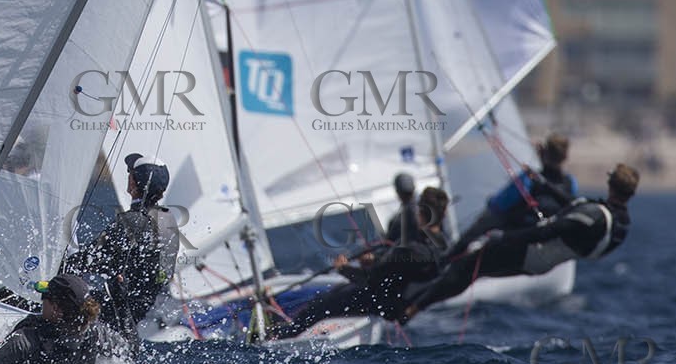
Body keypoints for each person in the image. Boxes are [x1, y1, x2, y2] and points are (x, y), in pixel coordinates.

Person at [403, 164, 639, 321]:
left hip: (532, 251)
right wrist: (546, 186)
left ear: (610, 185)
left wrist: (504, 237)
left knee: (468, 266)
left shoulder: (594, 216)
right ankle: (414, 304)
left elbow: (548, 231)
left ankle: (412, 306)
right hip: (540, 261)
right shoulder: (620, 222)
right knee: (473, 270)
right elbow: (575, 206)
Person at [271, 186, 449, 339]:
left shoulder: (411, 250)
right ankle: (282, 327)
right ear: (444, 212)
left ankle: (278, 336)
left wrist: (343, 269)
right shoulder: (443, 246)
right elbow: (399, 265)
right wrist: (377, 259)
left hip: (380, 301)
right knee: (331, 295)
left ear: (420, 214)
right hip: (392, 299)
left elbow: (369, 279)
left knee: (320, 305)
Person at [62, 153, 178, 339]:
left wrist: (61, 263)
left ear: (132, 183)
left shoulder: (131, 221)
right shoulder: (168, 220)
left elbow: (88, 260)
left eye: (129, 173)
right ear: (162, 191)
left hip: (113, 313)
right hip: (136, 316)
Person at [453, 134, 578, 249]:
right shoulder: (570, 182)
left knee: (487, 219)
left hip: (522, 228)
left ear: (542, 153)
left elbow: (501, 204)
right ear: (565, 156)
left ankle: (451, 255)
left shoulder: (530, 178)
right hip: (549, 231)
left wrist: (490, 201)